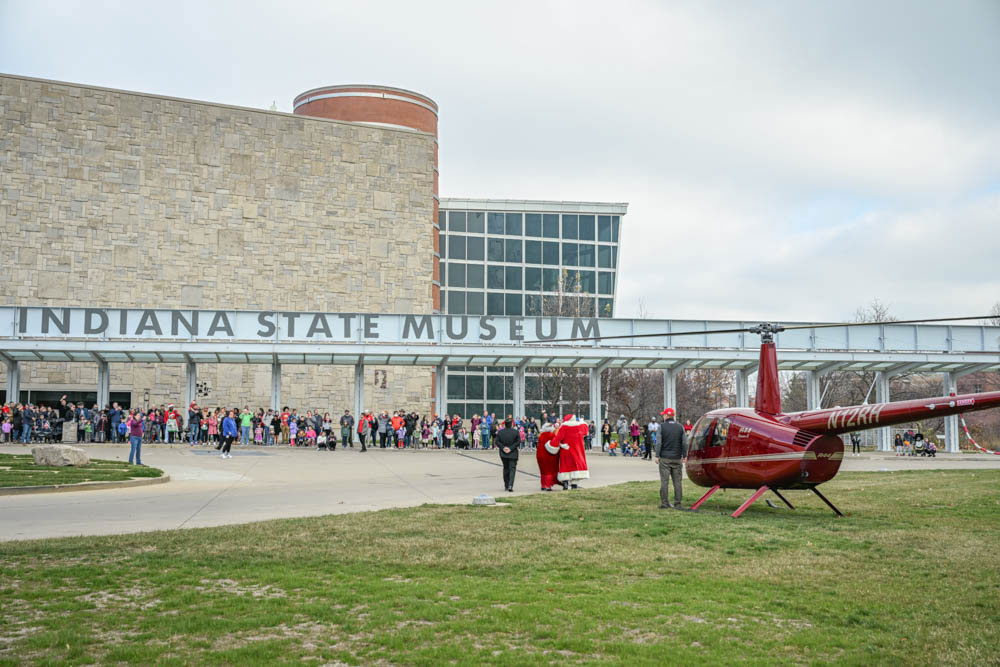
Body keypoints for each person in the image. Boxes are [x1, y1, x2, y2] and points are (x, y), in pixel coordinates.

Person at [656, 407, 686, 509]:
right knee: (677, 482)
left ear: (666, 416)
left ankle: (665, 503)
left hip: (665, 458)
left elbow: (659, 442)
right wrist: (684, 455)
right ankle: (678, 503)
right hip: (677, 458)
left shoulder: (661, 427)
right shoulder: (680, 427)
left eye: (663, 415)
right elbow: (684, 443)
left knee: (665, 481)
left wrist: (657, 455)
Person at [550, 413, 590, 489]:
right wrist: (582, 421)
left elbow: (558, 438)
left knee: (565, 466)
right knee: (575, 466)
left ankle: (565, 483)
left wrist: (552, 444)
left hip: (566, 450)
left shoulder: (564, 427)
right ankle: (574, 484)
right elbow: (586, 428)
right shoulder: (580, 426)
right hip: (577, 450)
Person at [496, 418, 520, 492]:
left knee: (506, 469)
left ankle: (506, 485)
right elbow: (518, 442)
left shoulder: (500, 432)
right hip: (513, 453)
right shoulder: (516, 432)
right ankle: (510, 485)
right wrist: (510, 448)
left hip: (503, 454)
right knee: (512, 469)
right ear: (512, 424)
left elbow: (497, 442)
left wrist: (503, 448)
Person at [535, 422, 560, 491]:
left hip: (540, 456)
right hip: (549, 456)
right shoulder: (552, 436)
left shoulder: (541, 436)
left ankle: (543, 485)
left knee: (543, 471)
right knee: (549, 471)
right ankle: (548, 486)